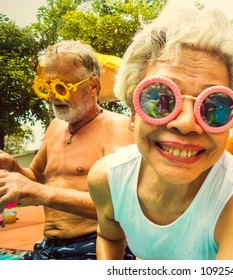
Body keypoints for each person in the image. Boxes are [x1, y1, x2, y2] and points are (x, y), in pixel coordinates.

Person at [87, 5, 233, 260]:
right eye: (160, 99)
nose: (185, 123)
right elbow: (108, 236)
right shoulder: (108, 178)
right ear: (132, 112)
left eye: (214, 107)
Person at [0, 40, 135, 260]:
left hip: (93, 246)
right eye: (47, 87)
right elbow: (37, 177)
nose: (53, 96)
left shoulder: (118, 128)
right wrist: (13, 167)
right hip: (47, 247)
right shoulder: (55, 127)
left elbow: (120, 208)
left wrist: (39, 193)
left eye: (62, 87)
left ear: (93, 86)